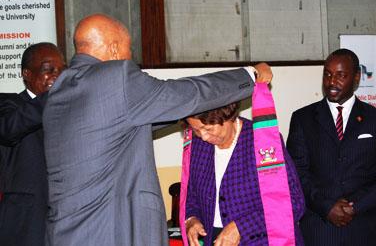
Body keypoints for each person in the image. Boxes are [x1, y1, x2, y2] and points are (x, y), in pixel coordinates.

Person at [41, 13, 272, 246]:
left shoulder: (59, 91)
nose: (131, 59)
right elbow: (189, 93)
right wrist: (250, 76)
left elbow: (146, 115)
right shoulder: (116, 77)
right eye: (129, 49)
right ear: (113, 49)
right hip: (111, 233)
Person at [286, 48, 376, 246]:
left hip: (366, 228)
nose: (331, 82)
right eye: (327, 74)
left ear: (356, 77)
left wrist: (356, 207)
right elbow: (295, 172)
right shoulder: (302, 119)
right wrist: (326, 206)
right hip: (319, 229)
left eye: (341, 75)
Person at [182, 101, 305, 246]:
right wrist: (191, 219)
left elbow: (293, 203)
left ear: (227, 116)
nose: (203, 136)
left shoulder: (263, 142)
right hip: (213, 239)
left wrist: (241, 228)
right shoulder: (197, 144)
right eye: (196, 130)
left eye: (208, 129)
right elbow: (191, 194)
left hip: (262, 240)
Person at [0, 42, 65, 246]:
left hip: (66, 220)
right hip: (26, 224)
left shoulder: (69, 111)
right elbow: (9, 129)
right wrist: (53, 97)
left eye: (62, 71)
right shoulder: (9, 105)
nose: (56, 76)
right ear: (26, 73)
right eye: (48, 70)